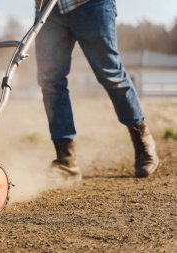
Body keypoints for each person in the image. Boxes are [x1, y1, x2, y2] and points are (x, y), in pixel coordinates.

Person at [34, 0, 159, 184]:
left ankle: (143, 141)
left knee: (111, 74)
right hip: (48, 8)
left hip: (90, 4)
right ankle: (66, 161)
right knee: (50, 81)